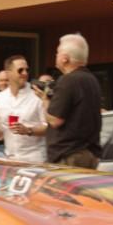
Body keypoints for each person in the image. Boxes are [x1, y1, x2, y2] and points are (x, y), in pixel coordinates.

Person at [35, 33, 102, 168]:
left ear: (65, 58)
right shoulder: (92, 80)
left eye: (58, 52)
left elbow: (55, 120)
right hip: (89, 153)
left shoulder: (68, 80)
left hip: (69, 156)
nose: (56, 55)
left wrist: (45, 100)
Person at [0, 54, 47, 162]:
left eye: (27, 70)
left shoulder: (37, 95)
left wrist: (28, 130)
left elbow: (48, 127)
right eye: (20, 70)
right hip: (11, 159)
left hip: (35, 159)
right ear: (8, 73)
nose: (25, 73)